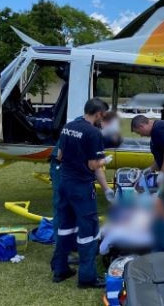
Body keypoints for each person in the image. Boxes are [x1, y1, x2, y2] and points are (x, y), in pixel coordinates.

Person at [51, 98, 114, 289]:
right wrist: (105, 161)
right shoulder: (93, 133)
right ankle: (87, 278)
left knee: (65, 228)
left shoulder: (68, 127)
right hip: (81, 187)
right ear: (99, 114)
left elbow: (60, 156)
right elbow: (93, 165)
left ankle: (60, 270)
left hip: (64, 183)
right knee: (88, 232)